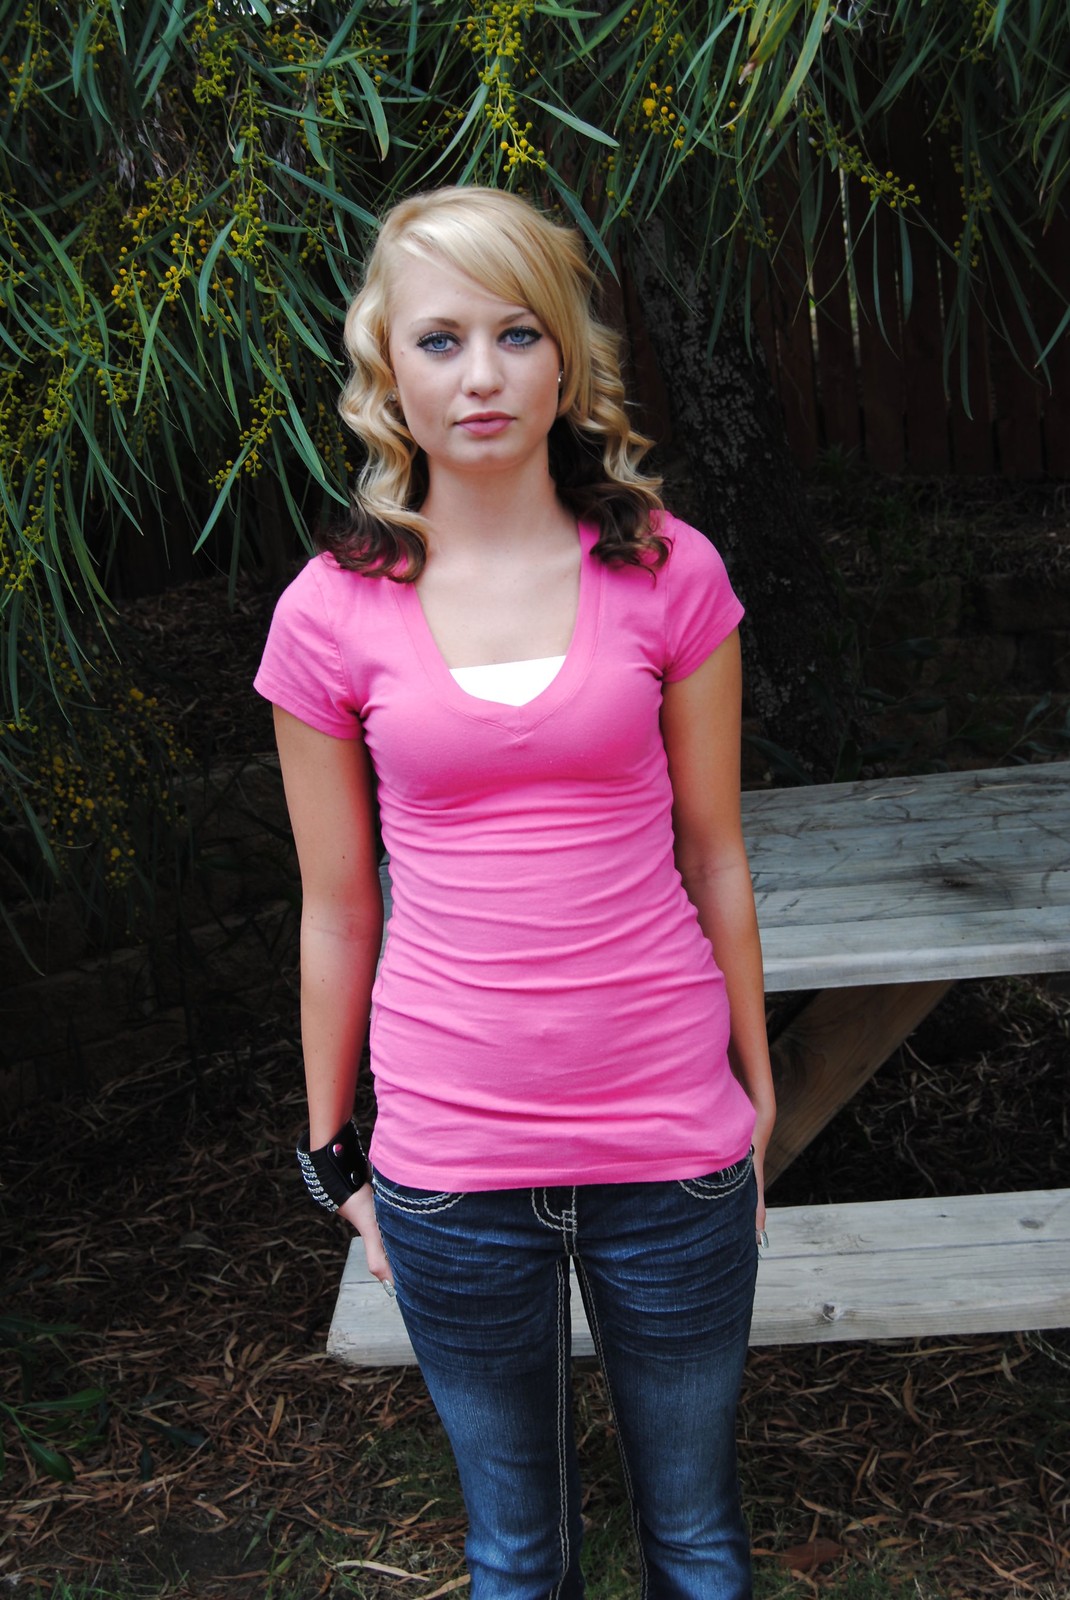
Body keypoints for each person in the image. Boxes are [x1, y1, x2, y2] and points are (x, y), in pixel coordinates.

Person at [254, 184, 776, 1600]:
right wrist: (331, 1155)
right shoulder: (327, 612)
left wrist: (758, 1091)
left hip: (671, 1144)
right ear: (387, 367)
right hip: (448, 1168)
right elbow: (335, 908)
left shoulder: (668, 570)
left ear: (566, 359)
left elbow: (715, 853)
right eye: (439, 340)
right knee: (514, 1558)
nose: (479, 374)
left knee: (698, 1544)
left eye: (516, 333)